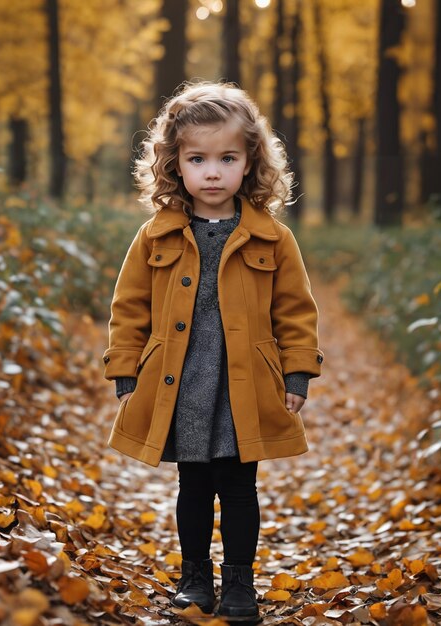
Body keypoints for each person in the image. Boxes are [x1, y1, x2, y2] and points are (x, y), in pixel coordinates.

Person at [102, 81, 323, 621]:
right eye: (197, 159)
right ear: (175, 164)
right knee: (193, 485)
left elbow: (296, 309)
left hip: (241, 382)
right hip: (180, 383)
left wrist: (297, 374)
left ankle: (241, 584)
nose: (213, 172)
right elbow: (128, 306)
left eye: (227, 157)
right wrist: (124, 370)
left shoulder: (273, 238)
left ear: (250, 162)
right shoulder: (156, 236)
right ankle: (195, 577)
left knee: (240, 487)